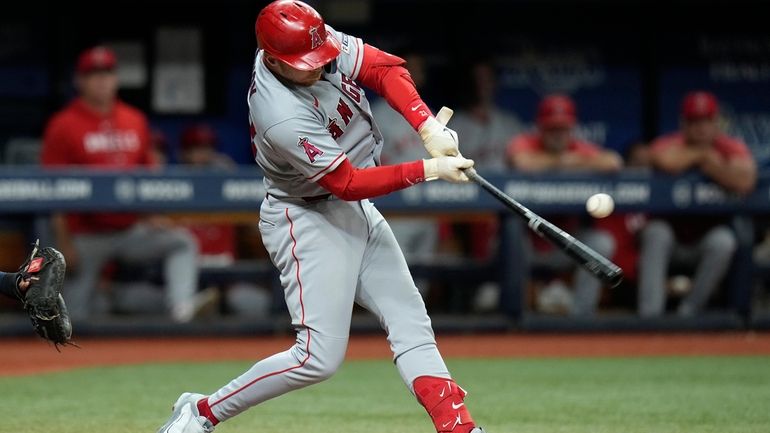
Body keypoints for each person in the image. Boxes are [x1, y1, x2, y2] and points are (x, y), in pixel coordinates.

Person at [156, 2, 485, 433]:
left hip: (351, 210)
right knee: (316, 359)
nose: (319, 66)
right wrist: (428, 169)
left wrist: (427, 126)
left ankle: (459, 427)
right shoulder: (279, 113)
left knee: (410, 320)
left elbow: (383, 68)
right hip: (306, 216)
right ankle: (200, 413)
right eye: (305, 64)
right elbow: (346, 182)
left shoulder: (309, 37)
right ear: (273, 60)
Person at [40, 46, 204, 323]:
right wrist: (64, 242)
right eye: (93, 74)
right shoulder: (63, 125)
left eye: (107, 73)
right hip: (85, 236)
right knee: (71, 318)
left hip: (130, 230)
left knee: (181, 242)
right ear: (80, 81)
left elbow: (148, 175)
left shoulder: (134, 120)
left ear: (116, 78)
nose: (102, 80)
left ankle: (182, 311)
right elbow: (52, 189)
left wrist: (152, 217)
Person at [637, 91, 757, 317]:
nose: (701, 128)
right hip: (671, 235)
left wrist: (709, 164)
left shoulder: (731, 146)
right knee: (656, 232)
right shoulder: (669, 143)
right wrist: (704, 157)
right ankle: (650, 316)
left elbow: (744, 181)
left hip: (704, 235)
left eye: (706, 121)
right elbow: (665, 161)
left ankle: (689, 313)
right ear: (683, 123)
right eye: (694, 121)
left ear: (716, 122)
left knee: (723, 240)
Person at [508, 94, 622, 316]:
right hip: (528, 244)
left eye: (563, 128)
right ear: (540, 127)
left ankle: (580, 319)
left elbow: (613, 161)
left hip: (565, 245)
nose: (558, 135)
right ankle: (517, 317)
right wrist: (564, 161)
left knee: (600, 242)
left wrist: (571, 160)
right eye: (552, 129)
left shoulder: (578, 148)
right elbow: (521, 161)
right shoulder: (526, 143)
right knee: (510, 238)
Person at [370, 51, 439, 269]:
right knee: (393, 272)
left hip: (428, 205)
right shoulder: (377, 114)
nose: (416, 74)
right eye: (411, 68)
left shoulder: (429, 112)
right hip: (395, 207)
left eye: (419, 69)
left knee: (425, 275)